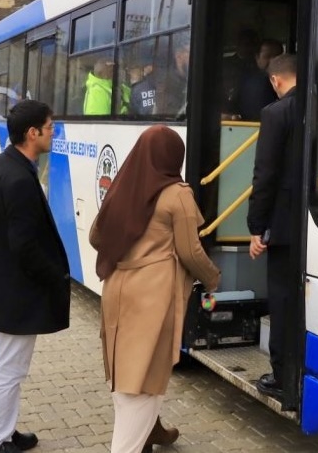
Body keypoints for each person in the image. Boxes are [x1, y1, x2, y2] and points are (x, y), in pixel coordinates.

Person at [90, 125, 220, 453]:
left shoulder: (124, 186)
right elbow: (191, 251)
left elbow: (95, 237)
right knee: (143, 383)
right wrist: (213, 278)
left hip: (117, 289)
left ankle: (151, 432)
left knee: (126, 375)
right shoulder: (177, 194)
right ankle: (131, 444)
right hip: (152, 297)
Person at [0, 99, 70, 453]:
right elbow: (24, 246)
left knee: (10, 366)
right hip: (15, 292)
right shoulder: (19, 178)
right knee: (9, 370)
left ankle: (6, 432)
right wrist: (56, 276)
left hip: (1, 286)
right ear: (32, 133)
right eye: (50, 127)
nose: (54, 133)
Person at [247, 53, 298, 402]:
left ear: (276, 81)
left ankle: (282, 376)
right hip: (316, 228)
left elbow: (264, 176)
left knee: (281, 302)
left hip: (281, 228)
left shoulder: (275, 113)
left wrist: (256, 227)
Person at [237, 38, 284, 121]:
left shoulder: (287, 82)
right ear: (257, 57)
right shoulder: (246, 81)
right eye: (267, 56)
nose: (273, 60)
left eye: (277, 56)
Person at [155, 35, 190, 119]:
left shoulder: (187, 79)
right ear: (179, 56)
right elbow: (172, 117)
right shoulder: (167, 84)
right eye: (190, 53)